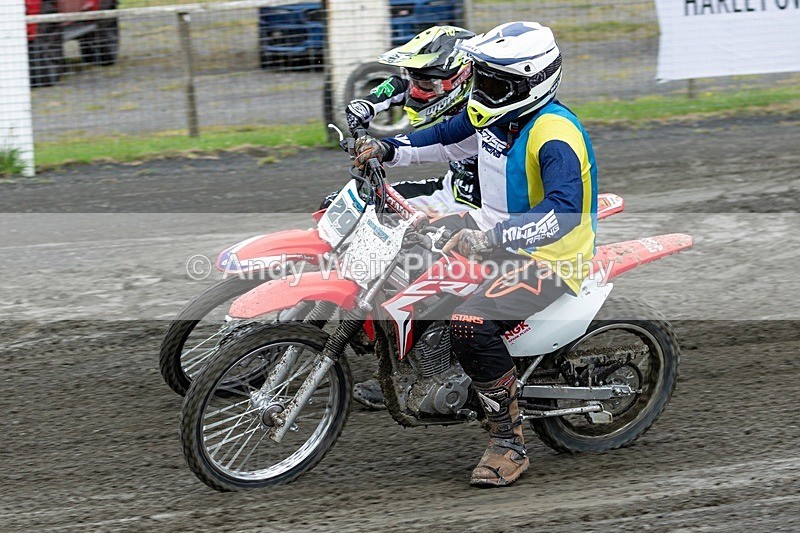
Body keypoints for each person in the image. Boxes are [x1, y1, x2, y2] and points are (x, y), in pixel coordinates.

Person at [353, 21, 599, 487]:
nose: (482, 88)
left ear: (529, 82)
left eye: (493, 81)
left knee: (470, 323)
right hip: (488, 233)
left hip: (547, 258)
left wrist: (492, 239)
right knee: (403, 253)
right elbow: (442, 139)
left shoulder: (554, 134)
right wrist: (385, 149)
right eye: (481, 77)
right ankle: (422, 371)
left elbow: (564, 213)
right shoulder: (495, 114)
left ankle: (509, 441)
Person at [329, 25, 482, 410]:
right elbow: (397, 86)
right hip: (451, 189)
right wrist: (367, 105)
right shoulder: (429, 84)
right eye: (417, 79)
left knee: (411, 261)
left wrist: (387, 148)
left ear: (459, 78)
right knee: (359, 205)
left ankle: (420, 366)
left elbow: (438, 142)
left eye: (426, 83)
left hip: (481, 209)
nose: (417, 91)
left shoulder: (483, 110)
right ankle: (367, 325)